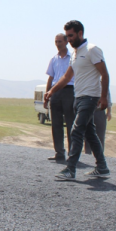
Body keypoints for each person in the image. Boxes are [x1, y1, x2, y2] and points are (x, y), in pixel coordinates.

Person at [44, 20, 111, 180]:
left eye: (71, 36)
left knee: (76, 131)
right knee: (90, 133)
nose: (69, 40)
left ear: (80, 33)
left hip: (90, 97)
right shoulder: (75, 54)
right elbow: (67, 76)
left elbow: (104, 74)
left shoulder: (92, 50)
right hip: (78, 97)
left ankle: (70, 169)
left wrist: (103, 98)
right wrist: (51, 91)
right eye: (67, 36)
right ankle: (102, 167)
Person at [44, 33, 75, 163]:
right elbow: (50, 78)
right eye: (56, 42)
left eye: (60, 42)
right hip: (55, 92)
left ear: (67, 42)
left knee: (70, 124)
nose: (58, 44)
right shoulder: (54, 59)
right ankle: (59, 153)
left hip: (69, 91)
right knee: (56, 124)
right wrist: (47, 95)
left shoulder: (73, 58)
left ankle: (73, 154)